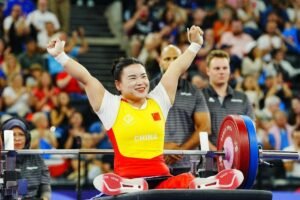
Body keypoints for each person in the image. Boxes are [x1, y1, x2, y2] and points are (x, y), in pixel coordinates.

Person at [47, 26, 243, 196]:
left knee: (182, 182)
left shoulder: (159, 100)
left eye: (143, 76)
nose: (141, 82)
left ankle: (202, 184)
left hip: (161, 176)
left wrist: (195, 45)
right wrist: (60, 56)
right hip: (128, 176)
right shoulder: (110, 105)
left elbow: (175, 68)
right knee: (112, 183)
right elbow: (86, 78)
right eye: (132, 78)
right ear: (118, 84)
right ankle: (130, 186)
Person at [151, 44, 211, 175]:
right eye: (167, 59)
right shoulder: (147, 90)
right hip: (153, 161)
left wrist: (181, 150)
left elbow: (205, 128)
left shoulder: (194, 92)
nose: (172, 63)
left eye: (176, 58)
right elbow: (137, 126)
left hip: (187, 164)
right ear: (159, 61)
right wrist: (161, 148)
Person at [202, 50, 254, 151]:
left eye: (225, 68)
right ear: (208, 70)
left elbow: (251, 130)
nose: (221, 72)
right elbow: (198, 131)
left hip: (237, 160)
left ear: (229, 70)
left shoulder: (242, 98)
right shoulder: (199, 97)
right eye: (217, 68)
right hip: (208, 161)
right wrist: (216, 153)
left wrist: (237, 153)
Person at [0, 117, 51, 199]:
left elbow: (45, 184)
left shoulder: (36, 157)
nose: (17, 139)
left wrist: (45, 198)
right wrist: (11, 158)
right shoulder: (2, 159)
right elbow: (9, 192)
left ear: (27, 137)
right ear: (5, 138)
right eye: (13, 135)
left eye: (21, 134)